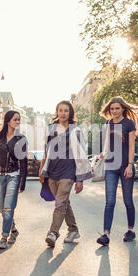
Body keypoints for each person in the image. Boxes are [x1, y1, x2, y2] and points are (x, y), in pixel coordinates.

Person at [39, 100, 92, 247]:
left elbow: (81, 154)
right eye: (60, 110)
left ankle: (53, 233)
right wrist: (42, 169)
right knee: (63, 203)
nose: (63, 113)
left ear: (70, 113)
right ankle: (73, 229)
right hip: (52, 172)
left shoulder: (76, 131)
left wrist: (80, 179)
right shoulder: (50, 129)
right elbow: (46, 150)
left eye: (66, 110)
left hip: (68, 172)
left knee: (60, 203)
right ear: (57, 112)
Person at [97, 96, 138, 246]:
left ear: (123, 108)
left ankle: (130, 230)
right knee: (109, 201)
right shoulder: (108, 123)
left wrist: (130, 165)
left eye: (117, 108)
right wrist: (103, 153)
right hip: (111, 166)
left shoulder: (128, 123)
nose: (114, 111)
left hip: (125, 166)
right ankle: (106, 234)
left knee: (128, 200)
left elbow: (131, 146)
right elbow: (107, 143)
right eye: (112, 109)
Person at [0, 110, 28, 249]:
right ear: (8, 121)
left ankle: (4, 237)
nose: (17, 122)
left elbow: (23, 162)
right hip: (0, 176)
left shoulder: (21, 139)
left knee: (8, 207)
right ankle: (14, 230)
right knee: (1, 208)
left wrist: (22, 183)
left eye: (19, 120)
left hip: (13, 176)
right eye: (15, 119)